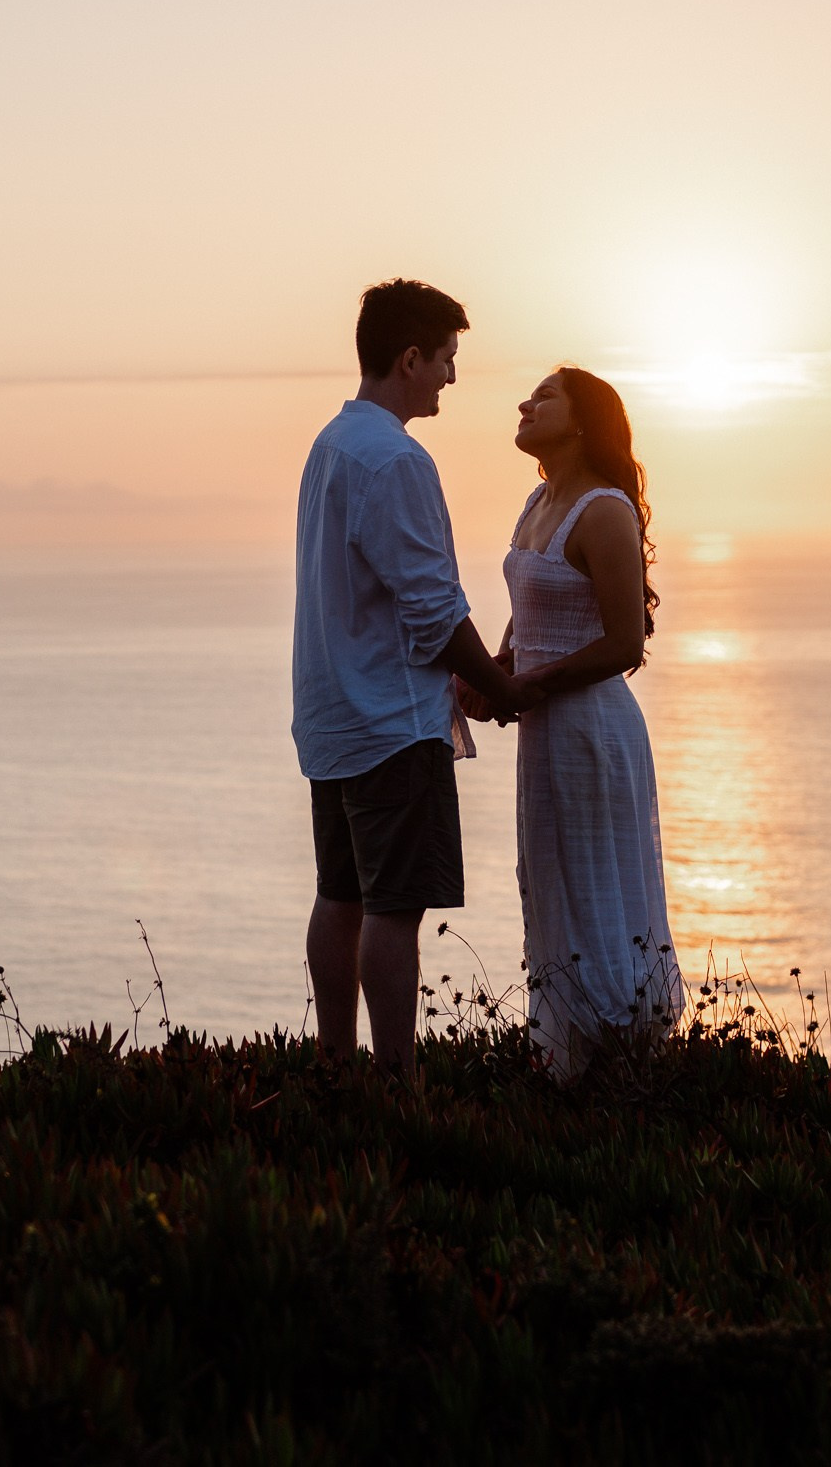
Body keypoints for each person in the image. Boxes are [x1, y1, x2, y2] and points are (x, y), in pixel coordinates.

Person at [292, 279, 525, 1075]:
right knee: (392, 911)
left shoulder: (330, 446)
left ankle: (334, 1067)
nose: (451, 378)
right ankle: (394, 1082)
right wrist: (501, 686)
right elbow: (431, 610)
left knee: (340, 897)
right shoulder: (396, 459)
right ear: (410, 357)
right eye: (447, 360)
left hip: (333, 718)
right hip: (391, 722)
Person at [460, 366, 683, 1078]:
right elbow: (533, 614)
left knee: (599, 890)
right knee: (553, 887)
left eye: (544, 396)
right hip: (545, 732)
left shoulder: (604, 510)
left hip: (591, 731)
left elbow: (625, 644)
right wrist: (495, 670)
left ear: (583, 420)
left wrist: (525, 685)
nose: (524, 404)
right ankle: (565, 1066)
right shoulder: (538, 500)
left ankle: (623, 1063)